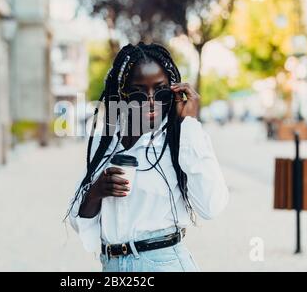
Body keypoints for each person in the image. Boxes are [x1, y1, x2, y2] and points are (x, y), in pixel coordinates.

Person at [64, 42, 228, 272]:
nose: (151, 101)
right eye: (139, 93)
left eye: (160, 91)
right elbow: (79, 223)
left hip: (163, 263)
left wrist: (189, 124)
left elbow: (211, 207)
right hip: (112, 265)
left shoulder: (180, 139)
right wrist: (96, 192)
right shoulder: (105, 143)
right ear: (123, 93)